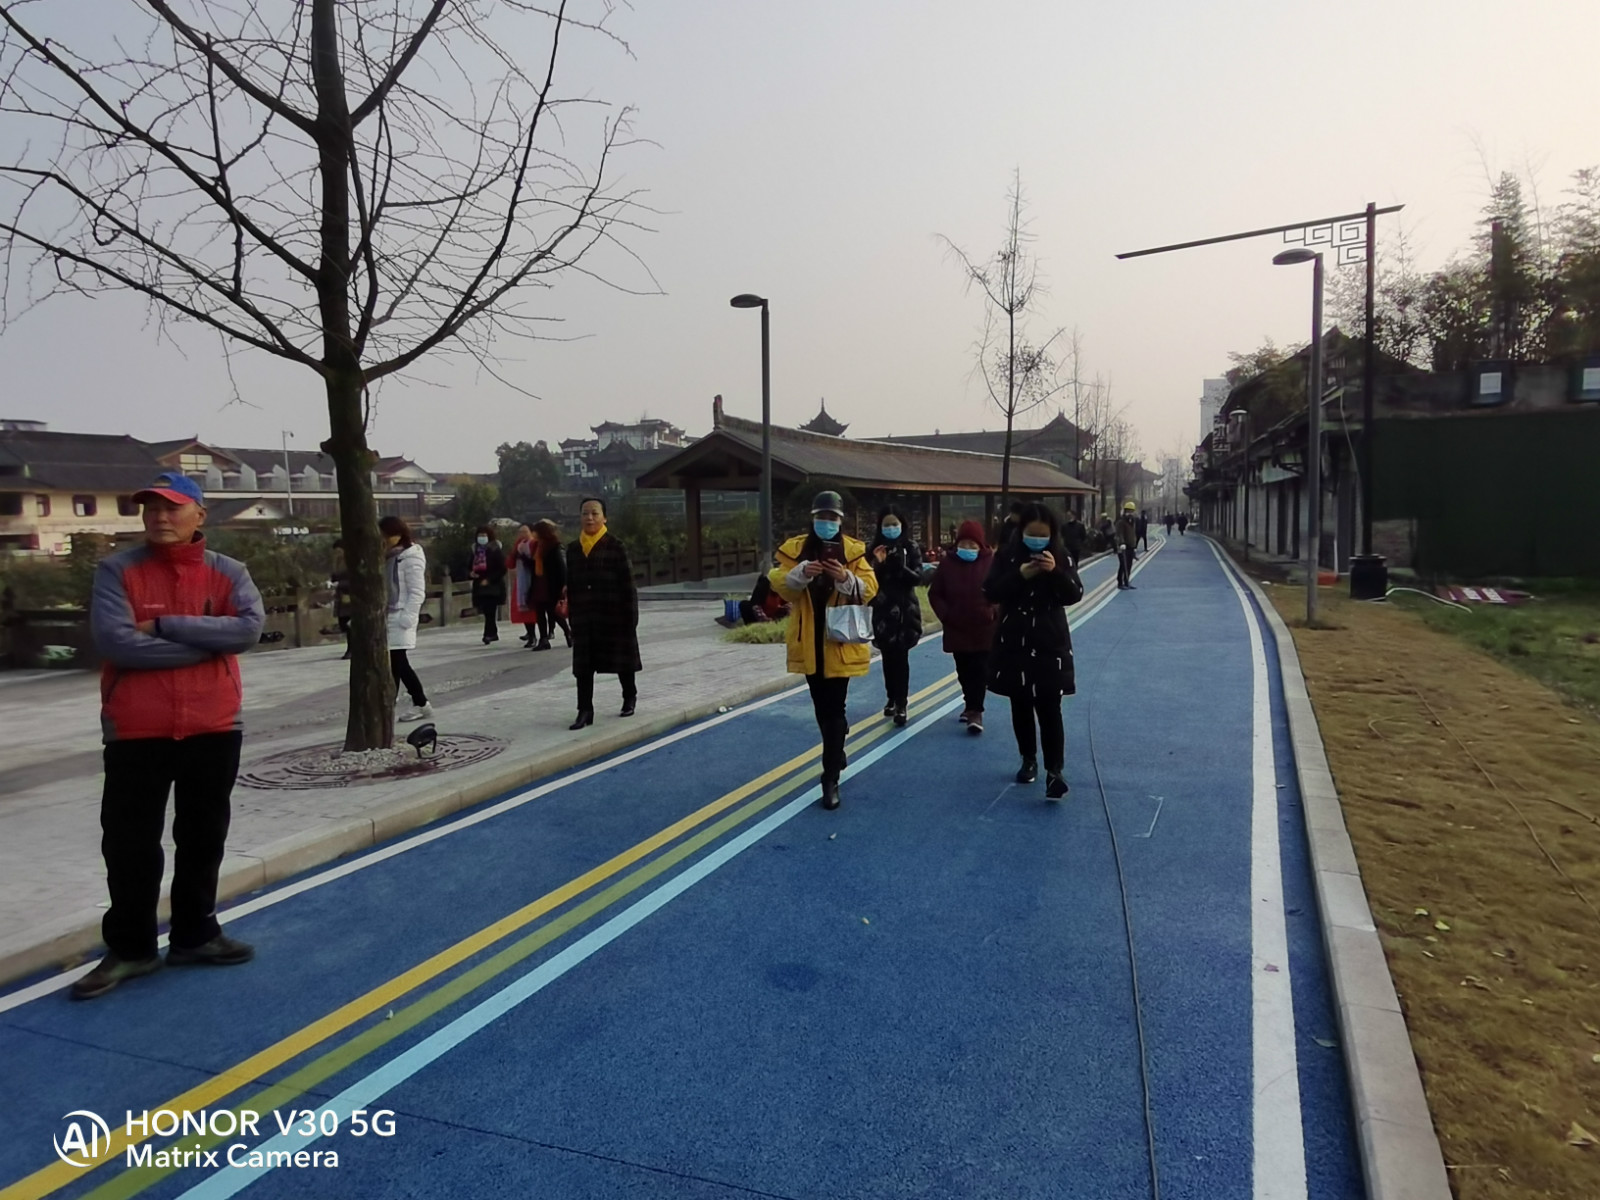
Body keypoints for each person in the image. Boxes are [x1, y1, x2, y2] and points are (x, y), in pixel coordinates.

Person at [76, 471, 265, 1000]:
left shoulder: (228, 572)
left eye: (172, 507)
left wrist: (163, 626)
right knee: (129, 843)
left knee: (203, 837)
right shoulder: (117, 571)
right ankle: (132, 948)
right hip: (136, 728)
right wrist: (209, 643)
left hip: (213, 724)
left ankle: (195, 935)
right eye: (151, 508)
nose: (159, 516)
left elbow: (248, 629)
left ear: (199, 515)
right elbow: (117, 643)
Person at [769, 491, 879, 811]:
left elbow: (870, 588)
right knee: (822, 708)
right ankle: (837, 743)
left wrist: (845, 578)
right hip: (809, 641)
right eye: (822, 517)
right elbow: (779, 583)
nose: (826, 523)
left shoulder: (853, 552)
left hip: (839, 641)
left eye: (832, 518)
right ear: (813, 518)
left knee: (835, 709)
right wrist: (801, 573)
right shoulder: (796, 550)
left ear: (840, 521)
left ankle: (830, 778)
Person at [983, 503, 1084, 800]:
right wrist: (1020, 575)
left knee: (1051, 708)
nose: (1037, 540)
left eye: (1043, 535)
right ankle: (1028, 759)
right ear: (1021, 531)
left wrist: (1055, 573)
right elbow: (990, 591)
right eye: (1031, 534)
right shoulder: (1007, 556)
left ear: (1052, 534)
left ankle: (1055, 771)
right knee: (1021, 704)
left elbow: (1074, 593)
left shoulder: (1062, 556)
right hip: (1015, 642)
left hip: (1050, 643)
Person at [565, 498, 642, 727]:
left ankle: (629, 696)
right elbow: (571, 584)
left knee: (622, 661)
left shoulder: (616, 546)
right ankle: (584, 710)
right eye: (585, 513)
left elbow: (628, 585)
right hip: (584, 616)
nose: (589, 518)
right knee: (583, 667)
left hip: (613, 615)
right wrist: (572, 616)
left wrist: (631, 618)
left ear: (604, 518)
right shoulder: (573, 549)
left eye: (594, 513)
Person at [927, 519, 995, 734]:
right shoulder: (948, 564)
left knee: (980, 670)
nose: (968, 548)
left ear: (980, 545)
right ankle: (969, 703)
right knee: (964, 669)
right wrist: (946, 614)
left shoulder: (991, 562)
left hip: (984, 628)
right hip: (957, 627)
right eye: (963, 544)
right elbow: (935, 593)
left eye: (972, 545)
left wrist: (993, 611)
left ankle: (976, 711)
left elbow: (1003, 590)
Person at [868, 505, 923, 726]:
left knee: (901, 658)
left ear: (902, 525)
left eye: (894, 524)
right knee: (887, 658)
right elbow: (868, 580)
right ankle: (891, 696)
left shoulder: (911, 547)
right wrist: (879, 565)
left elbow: (918, 578)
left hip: (905, 611)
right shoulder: (874, 549)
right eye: (886, 525)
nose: (891, 528)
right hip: (882, 610)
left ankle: (901, 702)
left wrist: (901, 567)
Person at [381, 515, 433, 722]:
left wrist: (408, 617)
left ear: (398, 534)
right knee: (396, 664)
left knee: (398, 663)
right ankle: (416, 704)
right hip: (390, 614)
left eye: (387, 535)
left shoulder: (411, 557)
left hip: (401, 614)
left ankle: (418, 704)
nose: (385, 540)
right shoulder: (391, 556)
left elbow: (417, 592)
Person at [528, 520, 571, 650]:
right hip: (539, 583)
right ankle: (544, 639)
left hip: (551, 584)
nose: (533, 534)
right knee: (540, 612)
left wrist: (563, 585)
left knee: (554, 612)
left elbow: (561, 568)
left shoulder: (554, 547)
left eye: (536, 531)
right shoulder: (537, 546)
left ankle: (568, 632)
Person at [469, 525, 507, 645]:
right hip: (479, 584)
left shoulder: (495, 550)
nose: (482, 538)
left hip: (493, 585)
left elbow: (502, 568)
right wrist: (471, 573)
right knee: (486, 611)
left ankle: (488, 634)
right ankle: (493, 633)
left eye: (484, 535)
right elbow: (468, 566)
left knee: (490, 610)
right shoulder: (475, 551)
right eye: (480, 535)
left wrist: (490, 579)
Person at [509, 524, 539, 645]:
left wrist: (524, 557)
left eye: (525, 531)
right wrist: (515, 553)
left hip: (534, 580)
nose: (522, 534)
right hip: (521, 581)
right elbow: (510, 563)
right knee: (523, 608)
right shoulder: (519, 545)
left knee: (534, 609)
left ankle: (541, 634)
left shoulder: (535, 544)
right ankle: (530, 634)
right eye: (520, 532)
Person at [330, 538, 354, 660]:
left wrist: (340, 584)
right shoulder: (337, 564)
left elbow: (354, 580)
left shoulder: (351, 563)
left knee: (350, 625)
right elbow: (334, 577)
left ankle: (352, 649)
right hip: (341, 597)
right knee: (343, 624)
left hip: (350, 597)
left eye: (339, 551)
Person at [1115, 501, 1139, 589]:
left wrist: (1134, 546)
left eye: (1132, 511)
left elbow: (1133, 534)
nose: (1130, 513)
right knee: (1123, 565)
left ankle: (1126, 581)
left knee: (1129, 565)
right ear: (1125, 511)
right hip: (1123, 547)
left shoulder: (1132, 521)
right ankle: (1120, 582)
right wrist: (1121, 543)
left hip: (1130, 546)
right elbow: (1119, 534)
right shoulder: (1121, 522)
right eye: (1128, 511)